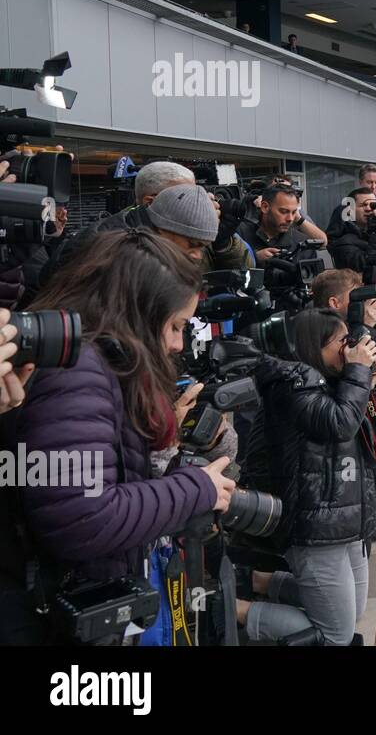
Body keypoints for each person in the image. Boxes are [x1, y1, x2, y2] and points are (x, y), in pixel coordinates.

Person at [4, 231, 236, 643]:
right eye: (176, 326)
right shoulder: (77, 371)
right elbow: (82, 516)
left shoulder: (99, 363)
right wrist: (195, 490)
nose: (178, 343)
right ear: (141, 312)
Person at [235, 308, 376, 646]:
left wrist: (365, 383)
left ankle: (262, 582)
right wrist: (357, 372)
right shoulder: (293, 384)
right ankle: (235, 608)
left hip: (346, 516)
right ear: (314, 346)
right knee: (336, 635)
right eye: (341, 342)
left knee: (354, 611)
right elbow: (339, 423)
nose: (349, 349)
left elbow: (360, 432)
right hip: (314, 525)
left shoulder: (328, 381)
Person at [43, 161, 251, 281]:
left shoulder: (177, 233)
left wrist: (222, 242)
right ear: (150, 202)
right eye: (181, 196)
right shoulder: (107, 245)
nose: (194, 203)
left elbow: (245, 276)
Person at [236, 183, 308, 266]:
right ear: (265, 207)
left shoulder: (301, 243)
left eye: (294, 212)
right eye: (284, 212)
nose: (290, 218)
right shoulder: (239, 234)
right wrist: (253, 258)